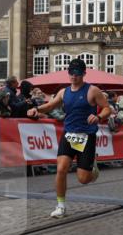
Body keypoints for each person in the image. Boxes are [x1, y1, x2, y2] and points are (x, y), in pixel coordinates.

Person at [27, 58, 111, 219]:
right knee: (61, 169)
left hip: (86, 136)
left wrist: (99, 116)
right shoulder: (63, 92)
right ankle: (60, 206)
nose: (74, 76)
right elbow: (51, 106)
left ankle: (93, 170)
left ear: (84, 74)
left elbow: (107, 108)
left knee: (83, 179)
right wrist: (36, 109)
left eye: (77, 73)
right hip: (69, 134)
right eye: (71, 73)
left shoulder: (92, 90)